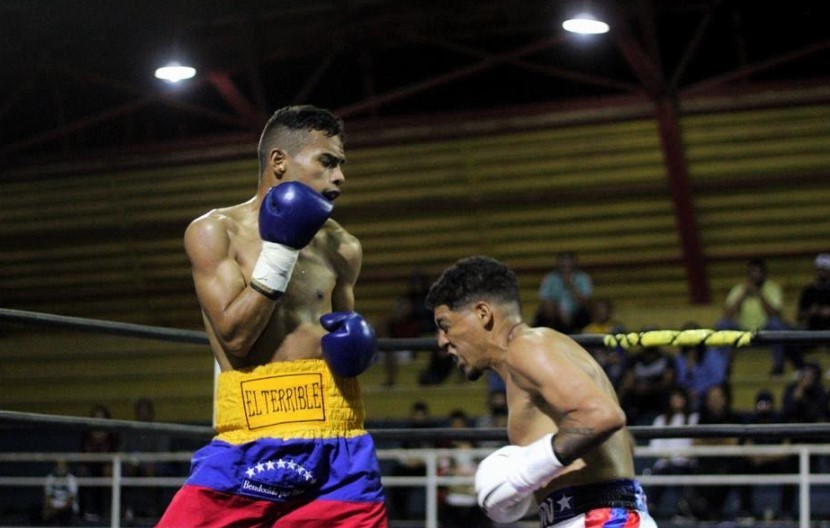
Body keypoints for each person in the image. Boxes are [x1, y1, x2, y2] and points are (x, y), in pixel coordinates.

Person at [157, 105, 387, 526]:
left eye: (341, 164)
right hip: (250, 437)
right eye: (327, 161)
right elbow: (236, 339)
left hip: (338, 444)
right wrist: (282, 250)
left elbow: (344, 354)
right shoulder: (215, 232)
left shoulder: (343, 247)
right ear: (279, 161)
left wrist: (357, 351)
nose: (339, 177)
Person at [425, 256, 655, 527]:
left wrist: (521, 474)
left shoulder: (526, 347)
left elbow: (602, 416)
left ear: (483, 313)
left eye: (445, 326)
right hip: (592, 514)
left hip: (601, 519)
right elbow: (622, 442)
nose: (441, 341)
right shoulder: (534, 356)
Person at [722, 258, 803, 375]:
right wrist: (742, 295)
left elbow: (775, 314)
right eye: (752, 272)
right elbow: (727, 315)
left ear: (764, 273)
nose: (755, 275)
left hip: (764, 331)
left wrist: (759, 294)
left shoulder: (772, 288)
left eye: (758, 272)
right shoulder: (739, 289)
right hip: (743, 331)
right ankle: (724, 368)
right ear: (748, 274)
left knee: (776, 323)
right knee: (723, 324)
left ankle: (778, 366)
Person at [737, 390, 795, 520]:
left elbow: (786, 448)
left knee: (790, 466)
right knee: (742, 466)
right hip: (756, 463)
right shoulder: (751, 421)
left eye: (767, 403)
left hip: (776, 462)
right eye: (761, 404)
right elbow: (746, 446)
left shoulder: (780, 420)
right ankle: (746, 511)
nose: (764, 407)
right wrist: (757, 458)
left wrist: (765, 458)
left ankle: (786, 512)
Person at [645, 386, 698, 515]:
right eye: (674, 398)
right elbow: (655, 445)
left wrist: (680, 457)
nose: (676, 400)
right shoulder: (661, 420)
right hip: (664, 463)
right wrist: (667, 457)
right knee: (660, 471)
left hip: (685, 463)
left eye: (679, 397)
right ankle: (651, 507)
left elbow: (693, 444)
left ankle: (684, 507)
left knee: (677, 469)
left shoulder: (693, 418)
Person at [535, 251, 593, 334]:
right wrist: (560, 313)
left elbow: (585, 302)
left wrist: (572, 286)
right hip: (556, 315)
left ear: (574, 263)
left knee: (586, 313)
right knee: (543, 313)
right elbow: (546, 301)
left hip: (576, 315)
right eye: (563, 261)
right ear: (558, 263)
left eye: (569, 261)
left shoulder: (583, 278)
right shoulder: (550, 278)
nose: (566, 264)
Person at [39, 459, 79, 526]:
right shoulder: (50, 478)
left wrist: (55, 512)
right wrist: (45, 510)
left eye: (63, 467)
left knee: (66, 514)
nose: (61, 469)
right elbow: (47, 497)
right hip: (52, 508)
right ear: (55, 468)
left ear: (67, 468)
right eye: (59, 467)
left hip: (66, 509)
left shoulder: (72, 479)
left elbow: (69, 502)